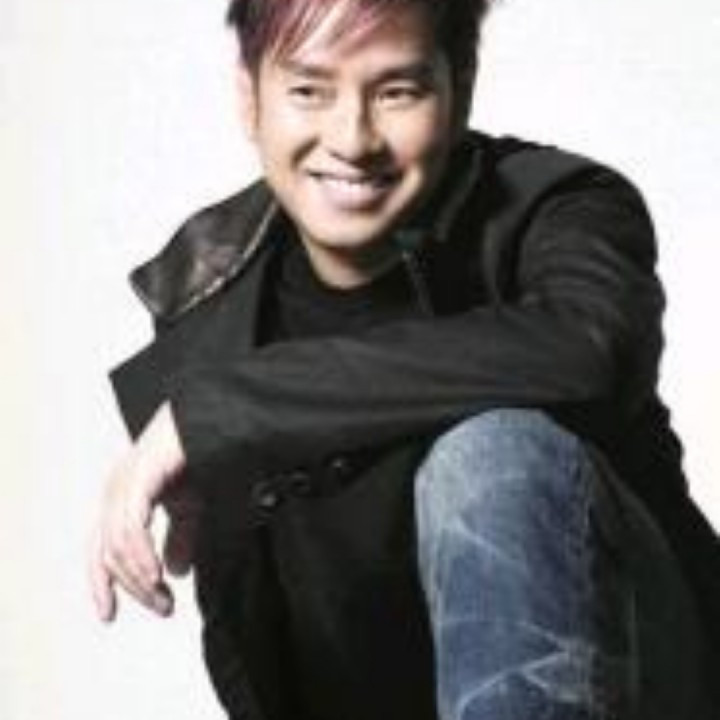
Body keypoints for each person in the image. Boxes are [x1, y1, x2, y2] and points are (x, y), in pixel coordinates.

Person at [88, 0, 720, 718]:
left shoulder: (555, 210)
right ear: (249, 97)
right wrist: (218, 415)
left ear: (461, 86)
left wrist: (221, 413)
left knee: (494, 450)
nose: (352, 140)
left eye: (396, 92)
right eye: (309, 90)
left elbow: (592, 347)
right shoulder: (210, 305)